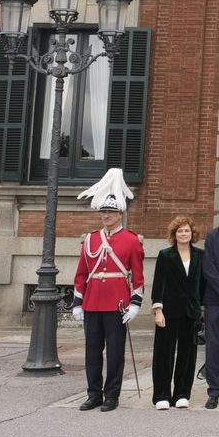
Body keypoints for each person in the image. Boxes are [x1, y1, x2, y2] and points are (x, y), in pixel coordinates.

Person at [70, 170, 145, 413]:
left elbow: (138, 275)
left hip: (117, 304)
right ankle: (94, 394)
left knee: (115, 354)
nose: (106, 216)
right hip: (92, 303)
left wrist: (135, 303)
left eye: (110, 212)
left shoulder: (132, 241)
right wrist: (77, 303)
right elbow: (82, 273)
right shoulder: (90, 239)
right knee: (92, 352)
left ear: (119, 214)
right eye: (103, 212)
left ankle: (112, 395)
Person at [151, 215, 204, 410]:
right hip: (168, 311)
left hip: (190, 312)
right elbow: (158, 284)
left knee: (187, 354)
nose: (183, 234)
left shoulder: (200, 255)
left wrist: (202, 307)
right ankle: (161, 395)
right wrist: (158, 310)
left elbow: (202, 284)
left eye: (186, 231)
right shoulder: (165, 255)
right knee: (164, 353)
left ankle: (182, 393)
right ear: (174, 234)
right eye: (180, 231)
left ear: (192, 233)